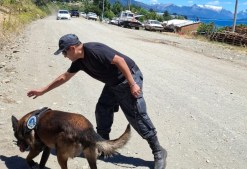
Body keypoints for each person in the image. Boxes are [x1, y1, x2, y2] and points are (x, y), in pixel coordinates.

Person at [27, 34, 167, 169]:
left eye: (64, 52)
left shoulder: (94, 50)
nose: (64, 56)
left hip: (128, 77)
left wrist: (132, 84)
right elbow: (64, 77)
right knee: (102, 109)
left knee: (136, 116)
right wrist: (42, 91)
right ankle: (103, 145)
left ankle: (158, 152)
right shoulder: (79, 61)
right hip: (112, 83)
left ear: (72, 48)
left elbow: (120, 61)